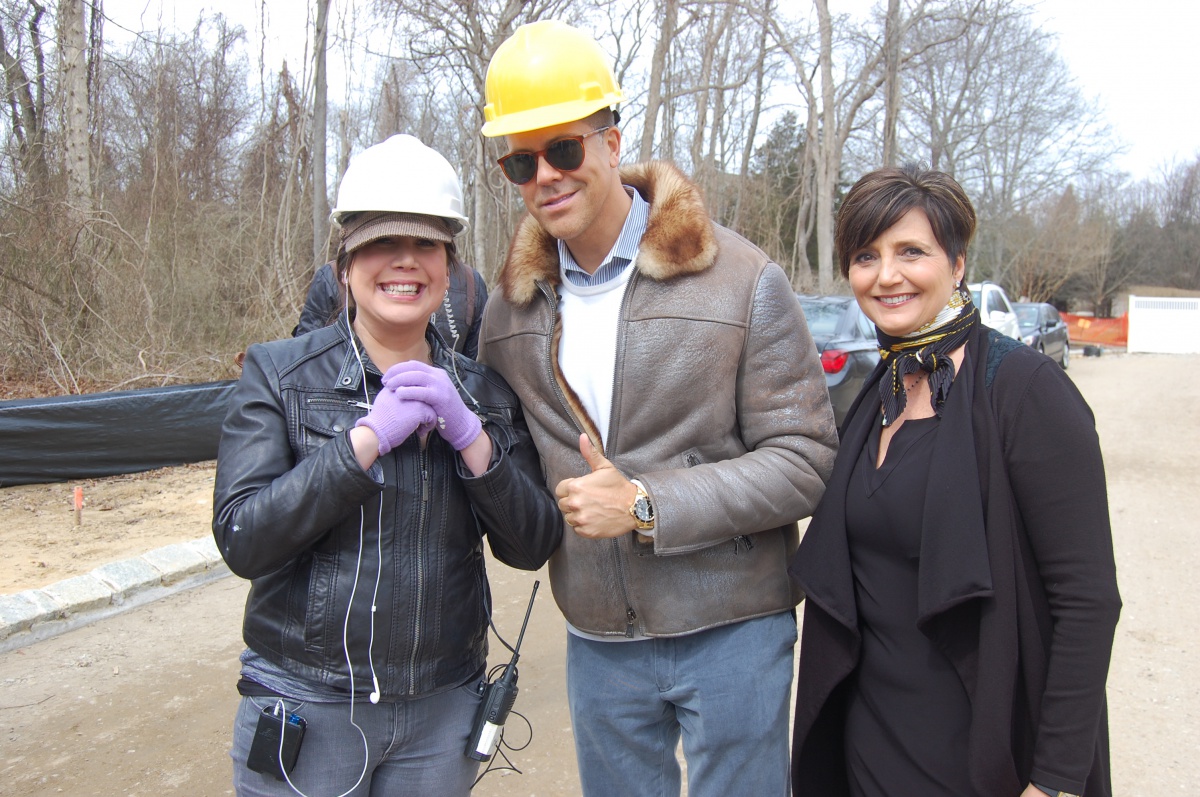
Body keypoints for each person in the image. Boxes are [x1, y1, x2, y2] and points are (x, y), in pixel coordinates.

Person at [475, 20, 838, 797]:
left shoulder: (741, 280)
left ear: (611, 138)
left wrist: (646, 504)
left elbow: (804, 458)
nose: (546, 175)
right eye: (520, 160)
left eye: (565, 148)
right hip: (599, 638)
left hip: (732, 624)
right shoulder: (509, 313)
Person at [211, 134, 562, 796]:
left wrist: (474, 442)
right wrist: (361, 444)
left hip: (441, 711)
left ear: (450, 267)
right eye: (379, 244)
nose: (405, 262)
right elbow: (243, 537)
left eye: (426, 244)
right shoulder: (279, 374)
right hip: (306, 707)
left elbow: (532, 543)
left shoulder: (485, 391)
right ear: (344, 265)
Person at [788, 166, 1121, 797]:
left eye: (911, 251)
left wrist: (1053, 781)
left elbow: (1088, 599)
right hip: (868, 746)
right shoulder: (878, 392)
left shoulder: (1023, 390)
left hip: (982, 753)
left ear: (958, 263)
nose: (886, 275)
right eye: (866, 256)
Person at [293, 249, 489, 359]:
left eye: (425, 242)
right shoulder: (330, 278)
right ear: (347, 271)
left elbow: (476, 374)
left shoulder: (471, 284)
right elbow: (307, 360)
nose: (407, 261)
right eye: (383, 242)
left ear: (447, 273)